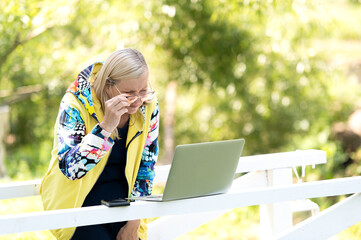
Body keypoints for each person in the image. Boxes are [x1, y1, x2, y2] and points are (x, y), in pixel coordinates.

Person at [40, 48, 159, 240]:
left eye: (143, 90)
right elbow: (72, 169)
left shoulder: (148, 105)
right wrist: (105, 128)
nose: (137, 100)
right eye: (129, 93)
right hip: (77, 209)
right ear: (107, 86)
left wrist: (134, 222)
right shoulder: (74, 104)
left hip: (125, 208)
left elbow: (146, 168)